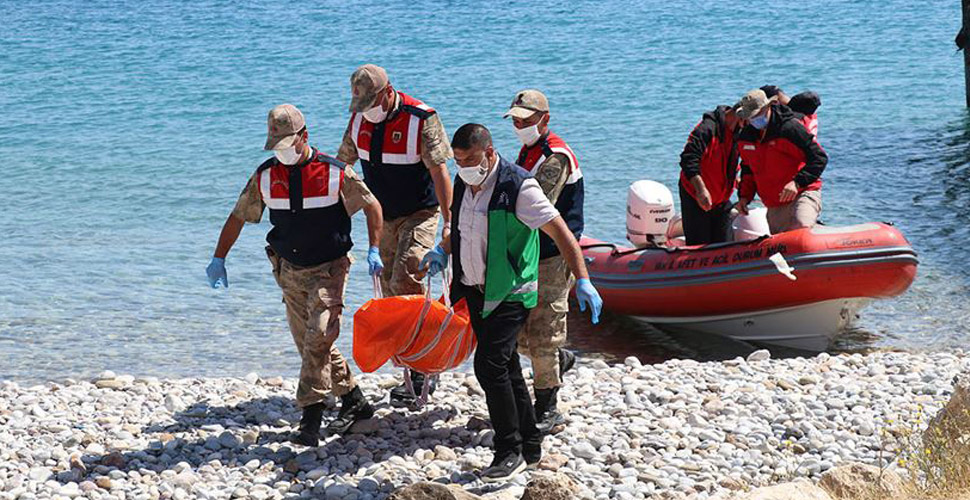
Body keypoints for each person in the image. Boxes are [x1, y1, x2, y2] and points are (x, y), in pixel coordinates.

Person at [420, 124, 603, 482]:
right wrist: (441, 251)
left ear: (489, 153)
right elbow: (460, 228)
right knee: (506, 367)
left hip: (511, 291)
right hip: (474, 290)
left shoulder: (519, 186)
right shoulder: (463, 182)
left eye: (470, 159)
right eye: (458, 161)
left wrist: (583, 279)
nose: (464, 167)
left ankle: (508, 450)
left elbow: (561, 231)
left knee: (488, 367)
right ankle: (531, 442)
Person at [206, 104, 384, 446]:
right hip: (288, 270)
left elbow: (371, 205)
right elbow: (239, 216)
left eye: (288, 144)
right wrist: (219, 258)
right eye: (277, 146)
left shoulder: (336, 172)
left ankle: (311, 419)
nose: (282, 152)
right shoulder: (265, 176)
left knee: (317, 337)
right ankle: (355, 402)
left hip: (329, 269)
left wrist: (375, 248)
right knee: (313, 345)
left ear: (304, 137)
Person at [337, 64, 454, 405]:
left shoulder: (421, 118)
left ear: (388, 93)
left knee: (407, 277)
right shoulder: (359, 119)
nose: (367, 111)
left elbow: (440, 172)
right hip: (382, 215)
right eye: (361, 104)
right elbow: (342, 169)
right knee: (390, 292)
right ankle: (411, 362)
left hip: (421, 212)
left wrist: (448, 225)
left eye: (373, 102)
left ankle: (423, 366)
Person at [504, 89, 582, 434]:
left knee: (544, 332)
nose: (520, 125)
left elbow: (536, 206)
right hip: (529, 251)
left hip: (552, 253)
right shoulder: (530, 150)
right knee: (520, 335)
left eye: (526, 120)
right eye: (516, 120)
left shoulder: (555, 157)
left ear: (544, 119)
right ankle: (558, 361)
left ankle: (548, 405)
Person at [734, 89, 828, 234]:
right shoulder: (745, 137)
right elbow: (748, 169)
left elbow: (819, 158)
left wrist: (797, 182)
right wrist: (744, 197)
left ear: (767, 108)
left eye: (757, 115)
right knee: (782, 243)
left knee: (801, 227)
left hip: (803, 192)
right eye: (751, 117)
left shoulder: (789, 128)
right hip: (774, 202)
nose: (754, 120)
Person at [678, 105, 742, 245]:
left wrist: (738, 181)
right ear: (740, 116)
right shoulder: (706, 129)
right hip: (695, 196)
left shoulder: (738, 132)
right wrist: (701, 190)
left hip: (721, 199)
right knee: (700, 247)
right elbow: (688, 159)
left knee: (725, 246)